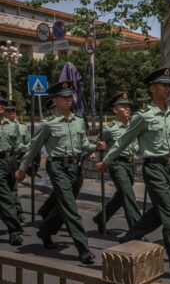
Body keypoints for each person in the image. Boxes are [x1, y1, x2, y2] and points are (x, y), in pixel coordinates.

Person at [97, 68, 170, 283]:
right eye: (164, 85)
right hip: (153, 170)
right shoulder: (143, 116)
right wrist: (106, 161)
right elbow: (123, 141)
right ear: (153, 88)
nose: (168, 88)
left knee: (157, 213)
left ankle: (130, 236)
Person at [16, 81, 106, 263]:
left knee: (63, 206)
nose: (69, 99)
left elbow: (83, 145)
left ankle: (45, 230)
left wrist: (95, 146)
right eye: (64, 97)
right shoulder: (47, 124)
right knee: (71, 209)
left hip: (76, 168)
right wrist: (22, 168)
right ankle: (83, 249)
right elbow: (33, 149)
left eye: (70, 96)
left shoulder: (78, 120)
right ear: (55, 100)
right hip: (58, 168)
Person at [92, 91, 141, 232]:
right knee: (128, 196)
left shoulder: (133, 126)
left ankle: (101, 218)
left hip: (130, 165)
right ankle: (137, 230)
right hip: (117, 165)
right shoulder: (109, 129)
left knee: (121, 196)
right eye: (123, 106)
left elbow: (136, 146)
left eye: (128, 106)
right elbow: (96, 144)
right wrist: (94, 152)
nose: (127, 108)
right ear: (114, 109)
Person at [0, 94, 26, 245]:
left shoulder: (12, 125)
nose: (1, 106)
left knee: (10, 194)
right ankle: (15, 231)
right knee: (7, 199)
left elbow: (19, 146)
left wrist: (31, 149)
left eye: (2, 104)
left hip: (11, 161)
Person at [4, 99, 29, 223]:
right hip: (5, 158)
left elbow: (27, 144)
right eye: (9, 111)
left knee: (13, 188)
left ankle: (17, 213)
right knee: (7, 189)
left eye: (13, 110)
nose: (11, 113)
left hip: (17, 160)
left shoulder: (22, 127)